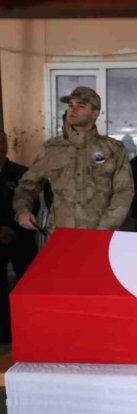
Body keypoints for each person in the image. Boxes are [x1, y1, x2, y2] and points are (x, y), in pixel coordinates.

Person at [13, 86, 134, 235]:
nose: (73, 110)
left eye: (80, 106)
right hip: (60, 236)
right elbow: (27, 186)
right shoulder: (51, 149)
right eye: (70, 105)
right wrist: (22, 211)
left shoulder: (113, 149)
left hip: (100, 236)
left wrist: (104, 229)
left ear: (95, 114)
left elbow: (124, 192)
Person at [0, 130, 37, 343]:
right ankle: (3, 334)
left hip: (20, 236)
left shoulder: (21, 173)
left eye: (2, 142)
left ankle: (26, 331)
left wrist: (14, 227)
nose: (0, 146)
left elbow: (32, 200)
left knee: (26, 284)